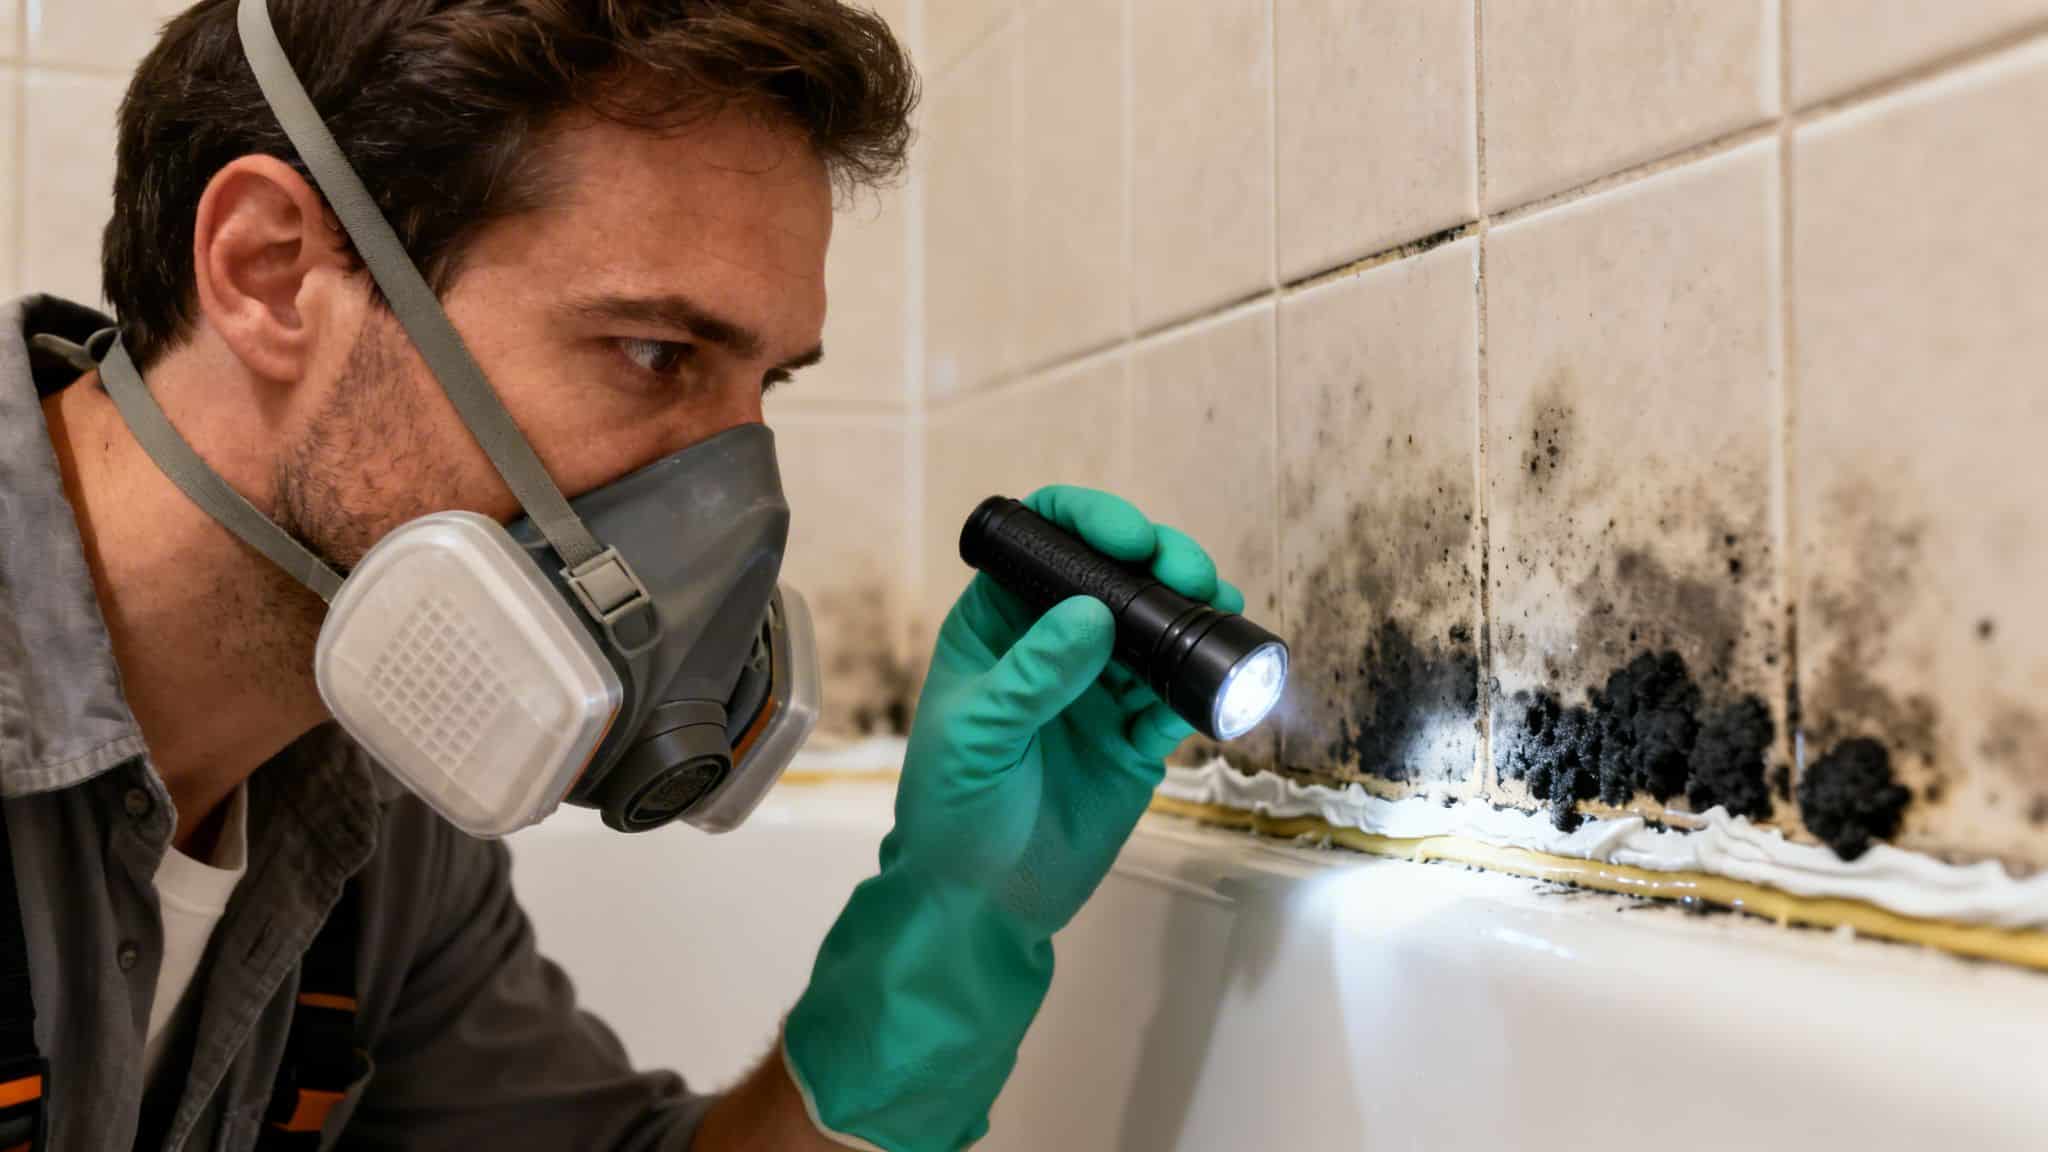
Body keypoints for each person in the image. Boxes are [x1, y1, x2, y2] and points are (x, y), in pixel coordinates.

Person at [0, 3, 1243, 1150]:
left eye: (766, 389)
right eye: (653, 353)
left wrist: (953, 927)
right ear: (272, 270)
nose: (734, 505)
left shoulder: (369, 804)